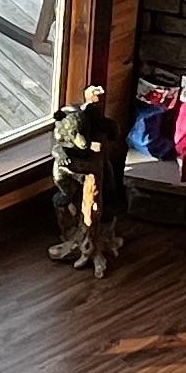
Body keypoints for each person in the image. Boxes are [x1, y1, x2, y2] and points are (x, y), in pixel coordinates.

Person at [47, 84, 126, 276]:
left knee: (105, 191)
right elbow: (59, 148)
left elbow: (99, 133)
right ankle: (77, 233)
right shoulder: (62, 131)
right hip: (71, 180)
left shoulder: (88, 120)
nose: (80, 140)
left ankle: (96, 236)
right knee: (66, 197)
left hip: (94, 176)